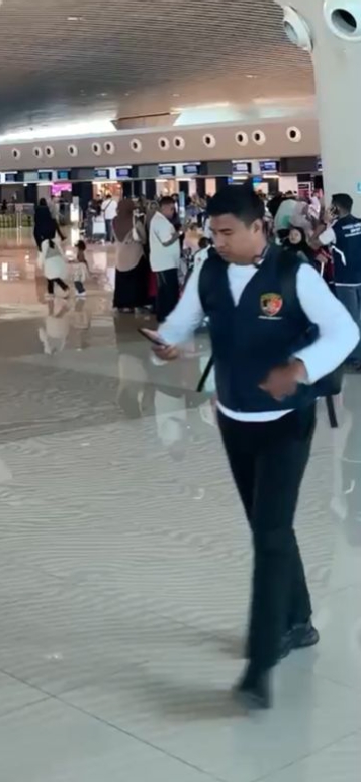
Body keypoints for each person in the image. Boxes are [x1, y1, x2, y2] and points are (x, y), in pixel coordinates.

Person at [144, 186, 358, 710]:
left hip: (286, 421)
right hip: (234, 417)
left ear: (258, 227)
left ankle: (260, 662)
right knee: (269, 526)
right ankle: (298, 620)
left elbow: (345, 331)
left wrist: (301, 367)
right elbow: (182, 321)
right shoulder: (209, 271)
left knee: (269, 532)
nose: (217, 241)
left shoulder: (294, 273)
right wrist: (167, 342)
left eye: (227, 232)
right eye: (212, 232)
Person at [319, 193, 361, 370]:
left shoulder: (335, 229)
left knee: (351, 319)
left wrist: (324, 222)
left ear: (336, 208)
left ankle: (355, 357)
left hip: (345, 281)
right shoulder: (359, 223)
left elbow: (314, 243)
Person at [149, 196, 182, 323]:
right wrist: (180, 232)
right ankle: (167, 317)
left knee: (165, 291)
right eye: (171, 209)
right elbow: (167, 241)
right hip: (165, 263)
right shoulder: (160, 222)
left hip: (165, 262)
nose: (173, 212)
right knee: (169, 292)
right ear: (164, 208)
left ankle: (164, 316)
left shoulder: (160, 220)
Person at [112, 199, 147, 312]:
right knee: (135, 281)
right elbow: (144, 238)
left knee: (121, 281)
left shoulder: (114, 221)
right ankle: (135, 304)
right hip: (135, 256)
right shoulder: (135, 221)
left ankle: (122, 304)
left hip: (120, 256)